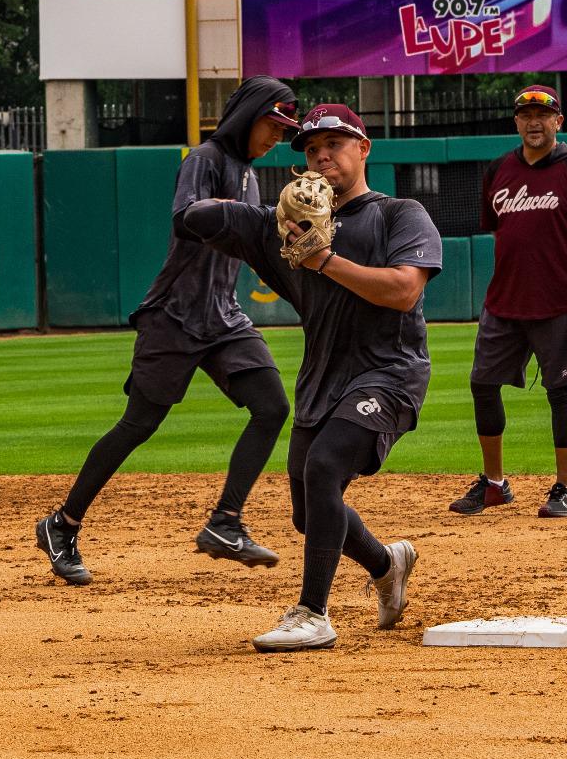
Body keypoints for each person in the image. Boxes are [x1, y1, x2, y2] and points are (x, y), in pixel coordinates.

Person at [179, 104, 441, 653]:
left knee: (324, 467)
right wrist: (239, 198)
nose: (322, 156)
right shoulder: (286, 231)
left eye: (335, 145)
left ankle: (312, 613)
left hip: (391, 372)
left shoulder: (399, 213)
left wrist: (322, 259)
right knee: (307, 512)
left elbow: (403, 291)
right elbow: (195, 218)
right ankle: (386, 562)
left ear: (363, 148)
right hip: (323, 379)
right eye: (311, 150)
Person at [33, 76, 300, 587]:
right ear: (249, 115)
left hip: (223, 317)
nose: (276, 137)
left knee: (272, 408)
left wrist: (303, 294)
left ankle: (225, 523)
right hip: (174, 315)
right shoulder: (205, 159)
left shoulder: (247, 175)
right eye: (273, 124)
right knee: (139, 424)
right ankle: (62, 525)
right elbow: (185, 218)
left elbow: (254, 251)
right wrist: (257, 215)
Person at [448, 84, 567, 520]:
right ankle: (494, 485)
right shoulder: (498, 170)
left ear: (558, 121)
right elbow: (500, 231)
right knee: (482, 385)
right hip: (504, 301)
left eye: (543, 115)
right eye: (525, 115)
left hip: (560, 302)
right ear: (516, 122)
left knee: (560, 393)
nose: (534, 122)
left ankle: (565, 490)